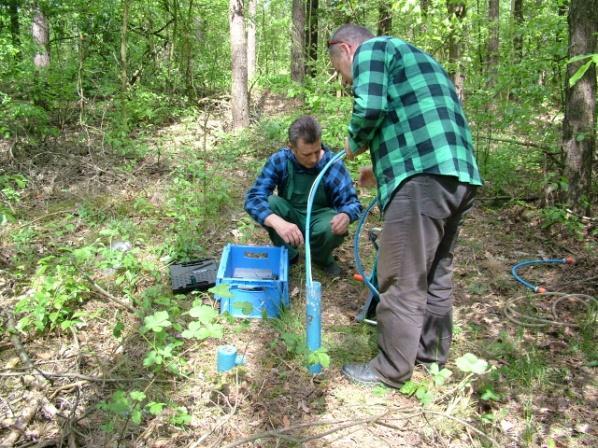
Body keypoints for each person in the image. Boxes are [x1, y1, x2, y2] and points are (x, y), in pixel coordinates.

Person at [327, 24, 483, 388]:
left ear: (347, 49)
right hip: (458, 177)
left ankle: (391, 369)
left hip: (423, 179)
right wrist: (381, 172)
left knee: (401, 276)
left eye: (342, 74)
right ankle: (431, 356)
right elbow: (419, 124)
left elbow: (371, 108)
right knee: (436, 271)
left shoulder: (373, 50)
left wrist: (353, 142)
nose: (347, 83)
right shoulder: (420, 60)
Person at [244, 115, 362, 276]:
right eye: (306, 154)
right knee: (270, 203)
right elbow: (253, 198)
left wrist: (346, 215)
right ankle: (289, 255)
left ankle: (321, 258)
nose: (313, 159)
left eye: (317, 151)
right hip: (290, 214)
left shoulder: (332, 163)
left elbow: (352, 203)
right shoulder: (280, 160)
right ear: (291, 148)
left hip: (319, 219)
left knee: (332, 226)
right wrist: (277, 222)